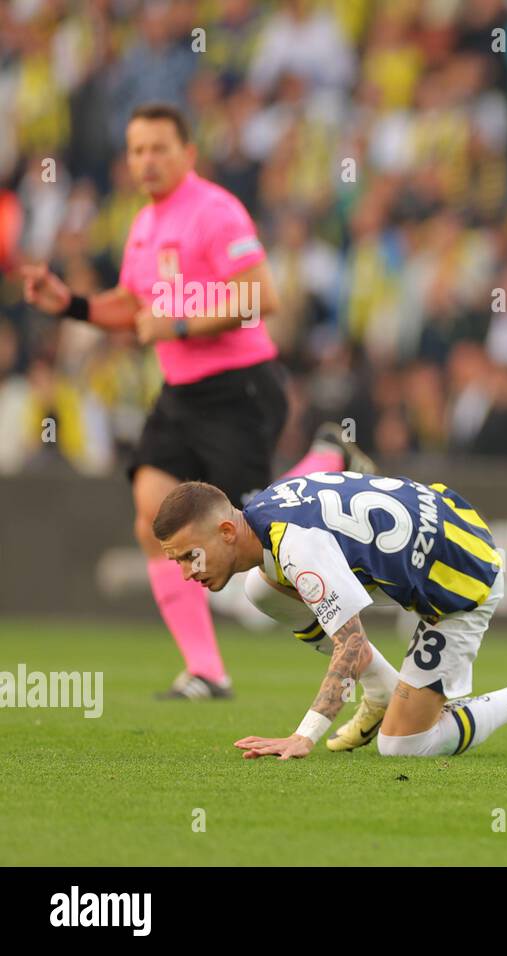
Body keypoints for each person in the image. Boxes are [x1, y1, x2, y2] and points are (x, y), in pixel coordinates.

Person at [23, 103, 292, 699]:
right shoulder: (143, 224)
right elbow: (134, 304)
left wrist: (181, 326)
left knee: (262, 539)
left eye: (158, 148)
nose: (146, 160)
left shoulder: (216, 211)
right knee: (153, 516)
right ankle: (206, 670)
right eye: (137, 150)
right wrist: (72, 304)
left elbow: (262, 297)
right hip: (181, 394)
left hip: (240, 388)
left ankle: (329, 465)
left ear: (188, 153)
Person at [150, 473, 507, 760]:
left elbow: (352, 642)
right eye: (179, 563)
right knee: (261, 587)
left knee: (401, 745)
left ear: (227, 532)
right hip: (442, 526)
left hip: (458, 582)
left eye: (192, 556)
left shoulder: (293, 546)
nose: (188, 573)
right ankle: (381, 691)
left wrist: (305, 735)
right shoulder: (264, 511)